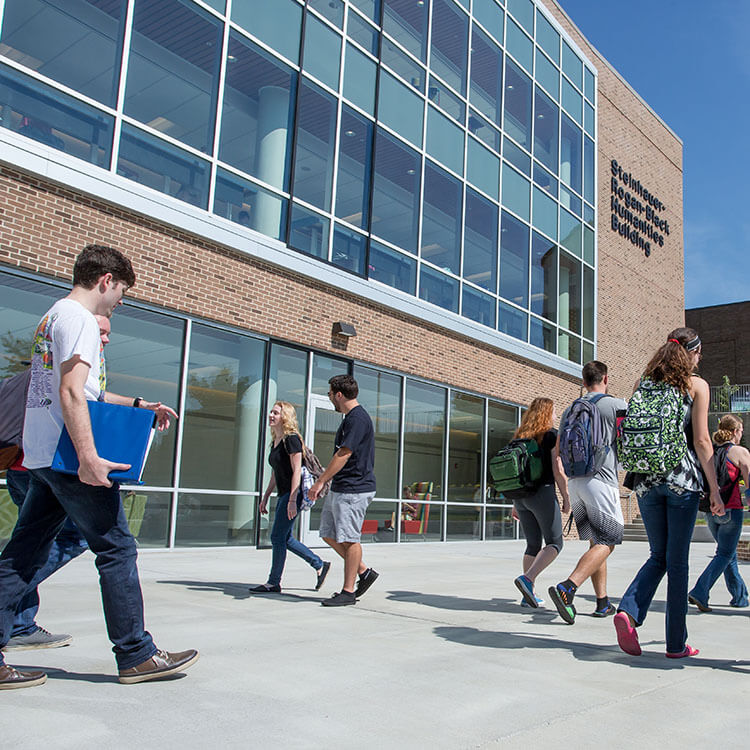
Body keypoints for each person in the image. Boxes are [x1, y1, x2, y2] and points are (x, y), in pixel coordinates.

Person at [0, 244, 198, 690]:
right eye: (122, 292)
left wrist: (140, 404)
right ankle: (136, 654)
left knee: (23, 556)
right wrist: (90, 459)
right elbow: (72, 393)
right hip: (71, 457)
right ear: (106, 280)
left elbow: (81, 391)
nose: (121, 301)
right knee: (117, 549)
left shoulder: (54, 316)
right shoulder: (81, 320)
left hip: (45, 454)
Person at [614, 327, 722, 659]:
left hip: (645, 483)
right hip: (682, 482)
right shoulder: (696, 386)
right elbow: (703, 442)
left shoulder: (641, 385)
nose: (699, 359)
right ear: (692, 352)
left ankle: (628, 610)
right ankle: (676, 645)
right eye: (699, 353)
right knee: (678, 563)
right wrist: (715, 490)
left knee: (657, 556)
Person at [3, 314, 109, 651]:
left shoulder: (27, 377)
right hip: (42, 466)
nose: (104, 339)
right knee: (70, 539)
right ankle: (13, 602)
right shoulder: (62, 375)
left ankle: (20, 622)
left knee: (30, 542)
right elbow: (79, 404)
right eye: (101, 332)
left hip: (22, 465)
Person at [548, 361, 628, 624]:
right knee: (609, 540)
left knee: (597, 542)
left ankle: (603, 603)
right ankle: (568, 587)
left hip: (576, 482)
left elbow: (557, 451)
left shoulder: (571, 408)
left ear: (583, 382)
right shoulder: (614, 404)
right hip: (601, 481)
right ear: (606, 378)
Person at [308, 375, 378, 607]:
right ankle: (363, 571)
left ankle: (348, 592)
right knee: (328, 532)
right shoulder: (349, 418)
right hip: (342, 487)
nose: (329, 398)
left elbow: (344, 454)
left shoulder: (357, 419)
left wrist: (320, 482)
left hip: (354, 488)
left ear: (339, 394)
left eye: (329, 394)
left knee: (349, 538)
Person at [250, 401, 331, 593]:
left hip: (293, 493)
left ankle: (274, 582)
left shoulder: (292, 439)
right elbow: (275, 473)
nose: (271, 415)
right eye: (271, 412)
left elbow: (296, 471)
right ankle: (319, 564)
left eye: (276, 413)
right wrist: (265, 497)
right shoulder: (275, 441)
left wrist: (293, 500)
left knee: (277, 536)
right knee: (284, 538)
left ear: (285, 416)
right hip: (284, 493)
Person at [688, 414, 750, 611]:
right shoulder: (740, 452)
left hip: (710, 511)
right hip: (732, 509)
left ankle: (740, 596)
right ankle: (700, 591)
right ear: (734, 432)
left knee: (727, 554)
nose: (741, 434)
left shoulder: (710, 452)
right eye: (740, 431)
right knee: (724, 553)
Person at [512, 397, 570, 608]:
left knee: (533, 545)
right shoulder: (551, 435)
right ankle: (527, 579)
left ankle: (528, 594)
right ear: (547, 414)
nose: (555, 416)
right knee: (555, 543)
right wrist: (566, 496)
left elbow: (517, 473)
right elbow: (558, 470)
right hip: (542, 495)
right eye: (554, 412)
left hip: (521, 497)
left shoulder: (520, 437)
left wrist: (514, 502)